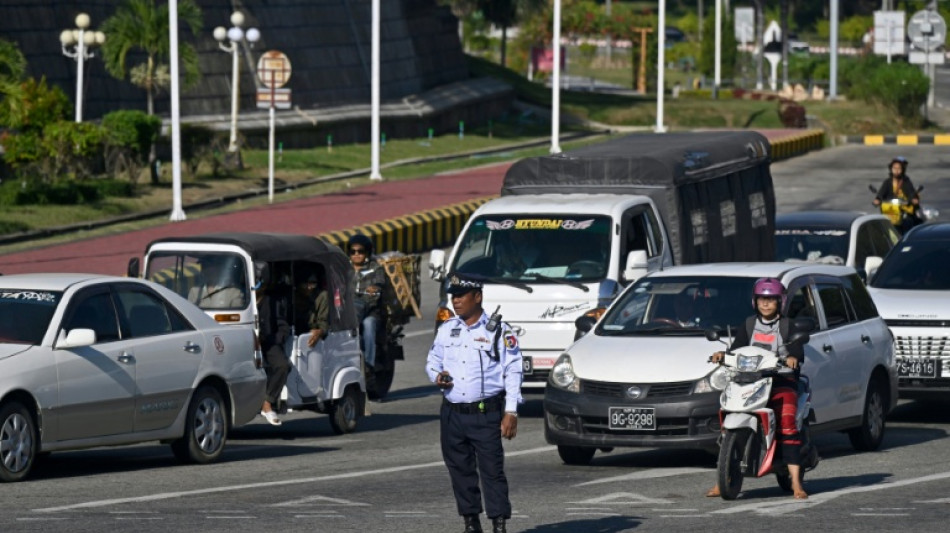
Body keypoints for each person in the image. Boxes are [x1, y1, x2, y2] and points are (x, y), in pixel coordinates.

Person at [426, 273, 523, 533]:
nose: (455, 300)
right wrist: (437, 375)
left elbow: (513, 370)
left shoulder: (500, 331)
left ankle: (499, 524)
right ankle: (471, 522)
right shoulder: (448, 329)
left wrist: (511, 411)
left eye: (461, 295)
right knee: (460, 470)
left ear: (477, 297)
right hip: (452, 414)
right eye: (453, 295)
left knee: (492, 471)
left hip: (485, 413)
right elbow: (432, 360)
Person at [707, 277, 808, 500]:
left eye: (771, 300)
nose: (766, 304)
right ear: (755, 301)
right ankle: (721, 480)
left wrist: (792, 357)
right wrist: (722, 356)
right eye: (762, 299)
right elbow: (736, 349)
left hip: (782, 382)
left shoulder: (787, 325)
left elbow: (797, 347)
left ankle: (797, 484)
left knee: (788, 424)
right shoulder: (749, 324)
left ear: (780, 302)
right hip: (751, 380)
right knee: (729, 418)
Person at [257, 274, 292, 426]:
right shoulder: (240, 299)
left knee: (283, 365)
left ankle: (268, 401)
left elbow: (282, 325)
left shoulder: (271, 301)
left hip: (268, 341)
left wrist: (275, 339)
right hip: (245, 340)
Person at [348, 234, 385, 368]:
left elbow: (378, 286)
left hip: (370, 311)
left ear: (367, 253)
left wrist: (375, 289)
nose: (356, 254)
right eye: (353, 252)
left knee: (368, 325)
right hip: (348, 308)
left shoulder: (376, 268)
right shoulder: (344, 269)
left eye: (360, 251)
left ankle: (369, 364)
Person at [872, 156, 920, 234]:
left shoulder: (906, 181)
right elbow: (881, 194)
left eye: (899, 168)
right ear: (891, 169)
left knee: (908, 224)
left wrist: (913, 200)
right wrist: (877, 200)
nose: (896, 171)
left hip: (904, 211)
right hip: (890, 211)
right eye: (894, 168)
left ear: (903, 170)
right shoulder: (887, 182)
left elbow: (911, 193)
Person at [294, 270, 329, 349]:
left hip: (310, 337)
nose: (309, 287)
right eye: (305, 284)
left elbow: (323, 322)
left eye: (313, 283)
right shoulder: (291, 297)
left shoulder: (322, 296)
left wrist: (320, 331)